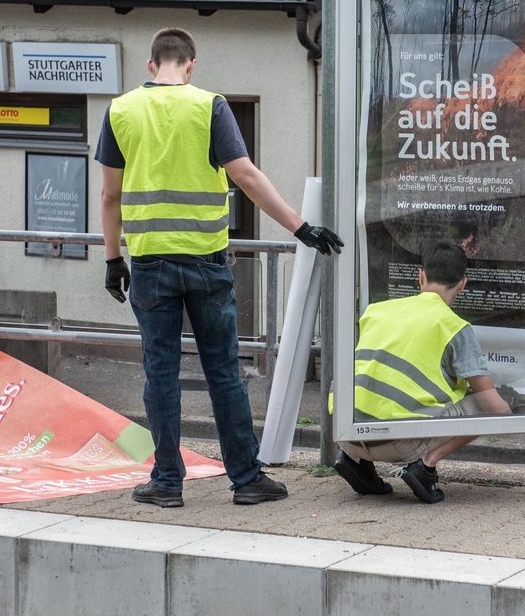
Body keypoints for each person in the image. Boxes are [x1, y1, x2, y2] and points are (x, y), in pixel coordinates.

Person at [97, 27, 343, 508]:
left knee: (160, 375)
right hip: (208, 265)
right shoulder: (210, 106)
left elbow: (109, 195)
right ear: (190, 65)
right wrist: (301, 229)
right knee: (224, 374)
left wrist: (112, 259)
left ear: (151, 65)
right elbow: (246, 175)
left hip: (149, 264)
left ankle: (167, 482)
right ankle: (246, 479)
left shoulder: (120, 109)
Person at [334, 241, 511, 504]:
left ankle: (356, 463)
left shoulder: (376, 311)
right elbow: (493, 407)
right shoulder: (453, 326)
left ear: (421, 276)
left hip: (348, 433)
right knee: (489, 406)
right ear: (463, 283)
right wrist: (511, 409)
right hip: (400, 444)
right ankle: (425, 467)